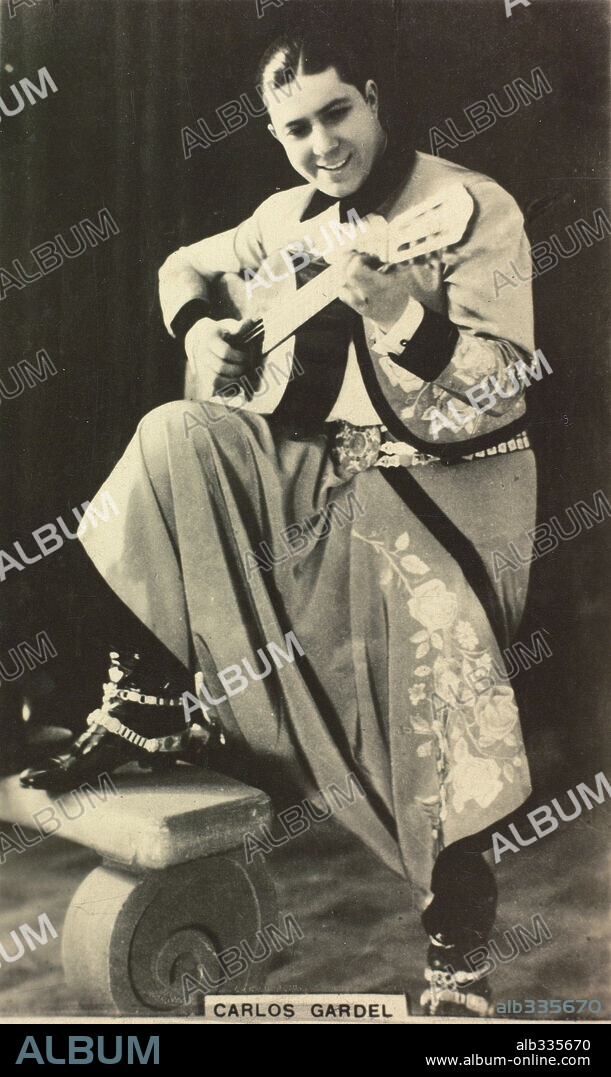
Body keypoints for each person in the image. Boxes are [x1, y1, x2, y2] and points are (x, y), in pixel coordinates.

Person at [21, 25, 538, 1016]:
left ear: (376, 98)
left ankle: (456, 956)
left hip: (449, 488)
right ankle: (148, 703)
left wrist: (397, 312)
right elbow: (180, 267)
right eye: (294, 128)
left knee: (435, 647)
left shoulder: (466, 208)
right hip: (318, 477)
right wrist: (203, 330)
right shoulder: (282, 218)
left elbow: (505, 387)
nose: (321, 145)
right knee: (177, 430)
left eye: (336, 114)